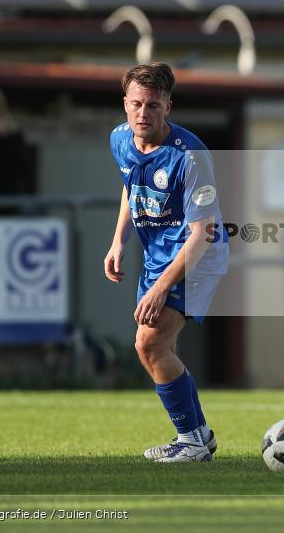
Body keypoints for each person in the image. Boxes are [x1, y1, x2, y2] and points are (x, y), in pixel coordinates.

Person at [104, 63, 228, 462]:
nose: (144, 113)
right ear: (125, 104)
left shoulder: (190, 157)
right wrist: (118, 242)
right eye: (137, 104)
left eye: (153, 106)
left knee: (150, 341)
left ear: (168, 106)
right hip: (159, 253)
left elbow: (203, 234)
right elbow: (131, 185)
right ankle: (198, 436)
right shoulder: (120, 139)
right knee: (154, 347)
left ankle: (192, 441)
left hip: (198, 253)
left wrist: (160, 288)